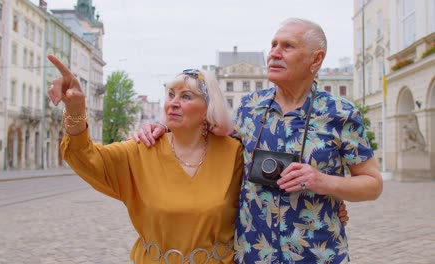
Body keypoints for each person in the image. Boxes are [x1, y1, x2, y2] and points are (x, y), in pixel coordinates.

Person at [132, 18, 382, 263]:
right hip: (252, 254)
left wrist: (323, 182)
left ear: (316, 59)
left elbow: (372, 184)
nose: (274, 53)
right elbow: (201, 131)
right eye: (273, 45)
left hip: (318, 254)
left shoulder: (340, 113)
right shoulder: (249, 108)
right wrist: (163, 125)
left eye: (287, 46)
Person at [47, 54, 244, 263]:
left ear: (207, 109)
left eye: (186, 96)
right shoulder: (143, 149)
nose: (174, 103)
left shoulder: (234, 153)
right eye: (170, 94)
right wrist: (75, 109)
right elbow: (85, 157)